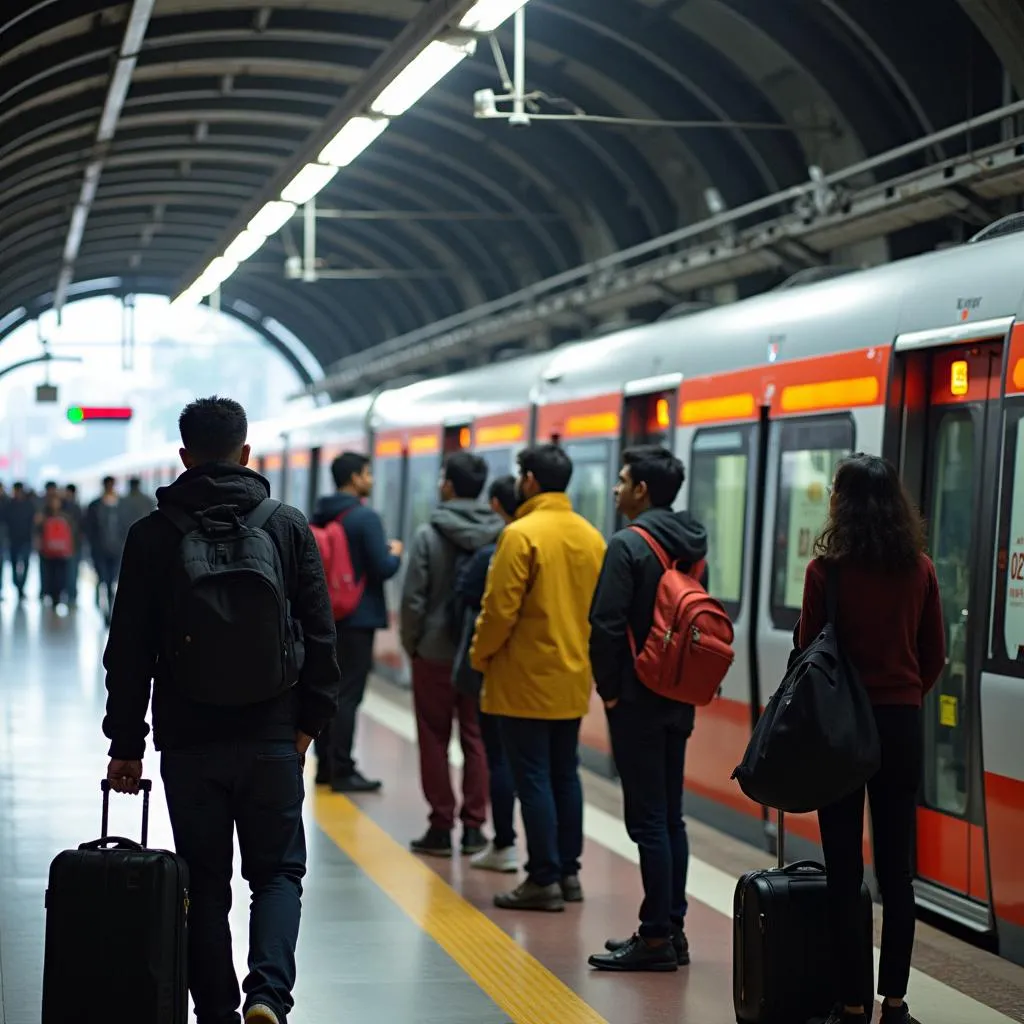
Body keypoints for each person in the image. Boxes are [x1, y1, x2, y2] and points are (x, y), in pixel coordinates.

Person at [102, 396, 341, 1024]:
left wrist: (125, 742)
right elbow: (321, 637)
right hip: (271, 733)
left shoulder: (152, 534)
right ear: (246, 452)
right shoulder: (287, 526)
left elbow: (127, 649)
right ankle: (268, 995)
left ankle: (216, 1012)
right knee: (278, 873)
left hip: (188, 739)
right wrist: (309, 726)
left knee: (203, 886)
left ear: (183, 457)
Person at [798, 453, 946, 1024]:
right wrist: (902, 694)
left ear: (843, 502)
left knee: (843, 869)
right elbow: (933, 655)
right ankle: (896, 1002)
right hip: (900, 726)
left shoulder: (825, 573)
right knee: (896, 872)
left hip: (841, 730)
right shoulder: (921, 569)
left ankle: (853, 1002)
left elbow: (811, 653)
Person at [586, 445, 708, 972]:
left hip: (636, 697)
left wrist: (611, 692)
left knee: (649, 820)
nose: (615, 489)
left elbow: (606, 625)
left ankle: (656, 935)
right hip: (678, 692)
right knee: (671, 816)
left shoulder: (627, 545)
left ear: (641, 491)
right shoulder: (693, 542)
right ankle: (672, 926)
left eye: (622, 480)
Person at [470, 443, 606, 911]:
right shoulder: (592, 536)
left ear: (528, 481)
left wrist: (479, 656)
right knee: (565, 773)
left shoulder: (520, 535)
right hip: (571, 676)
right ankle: (569, 873)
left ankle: (542, 877)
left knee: (533, 778)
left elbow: (499, 610)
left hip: (523, 678)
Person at [400, 451, 502, 858]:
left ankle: (441, 827)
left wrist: (414, 644)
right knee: (476, 738)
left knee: (433, 737)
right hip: (479, 652)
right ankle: (476, 828)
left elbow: (413, 599)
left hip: (435, 654)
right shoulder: (502, 534)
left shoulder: (429, 534)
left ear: (448, 485)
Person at [310, 451, 403, 791]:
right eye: (367, 473)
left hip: (327, 615)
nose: (371, 479)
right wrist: (395, 553)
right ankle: (343, 769)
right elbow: (382, 568)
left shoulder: (320, 513)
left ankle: (323, 765)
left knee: (327, 691)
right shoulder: (365, 518)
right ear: (354, 478)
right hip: (358, 618)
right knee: (349, 695)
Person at [452, 474, 521, 873]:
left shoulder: (499, 549)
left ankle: (506, 842)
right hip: (553, 676)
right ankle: (562, 870)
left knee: (499, 757)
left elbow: (474, 600)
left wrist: (478, 657)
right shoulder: (582, 537)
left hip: (495, 671)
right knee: (556, 770)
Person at [85, 475, 126, 622]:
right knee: (105, 580)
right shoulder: (96, 506)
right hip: (102, 550)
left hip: (115, 550)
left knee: (110, 581)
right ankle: (106, 609)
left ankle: (108, 609)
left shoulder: (120, 505)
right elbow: (89, 529)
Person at [37, 491, 75, 608]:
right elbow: (38, 532)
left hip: (61, 552)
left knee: (60, 575)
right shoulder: (43, 516)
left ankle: (58, 595)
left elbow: (72, 533)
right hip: (48, 552)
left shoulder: (65, 517)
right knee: (50, 574)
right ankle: (52, 595)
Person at [6, 482, 35, 599]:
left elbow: (34, 522)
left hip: (26, 539)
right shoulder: (9, 505)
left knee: (26, 564)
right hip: (13, 539)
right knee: (14, 564)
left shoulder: (29, 505)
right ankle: (17, 584)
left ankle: (21, 587)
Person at [63, 483, 84, 607]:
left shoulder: (64, 507)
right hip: (75, 543)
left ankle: (70, 593)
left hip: (67, 543)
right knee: (72, 570)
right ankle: (72, 594)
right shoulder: (77, 507)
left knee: (69, 570)